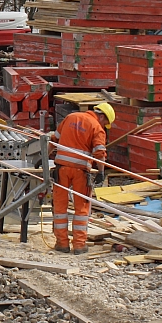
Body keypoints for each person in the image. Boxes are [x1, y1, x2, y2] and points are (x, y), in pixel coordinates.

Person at [50, 102, 114, 254]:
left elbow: (54, 139)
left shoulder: (70, 117)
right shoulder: (97, 128)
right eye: (106, 122)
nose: (105, 126)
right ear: (102, 116)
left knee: (59, 207)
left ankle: (62, 244)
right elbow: (99, 154)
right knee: (82, 208)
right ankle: (79, 245)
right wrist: (101, 172)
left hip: (61, 169)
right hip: (80, 172)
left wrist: (43, 160)